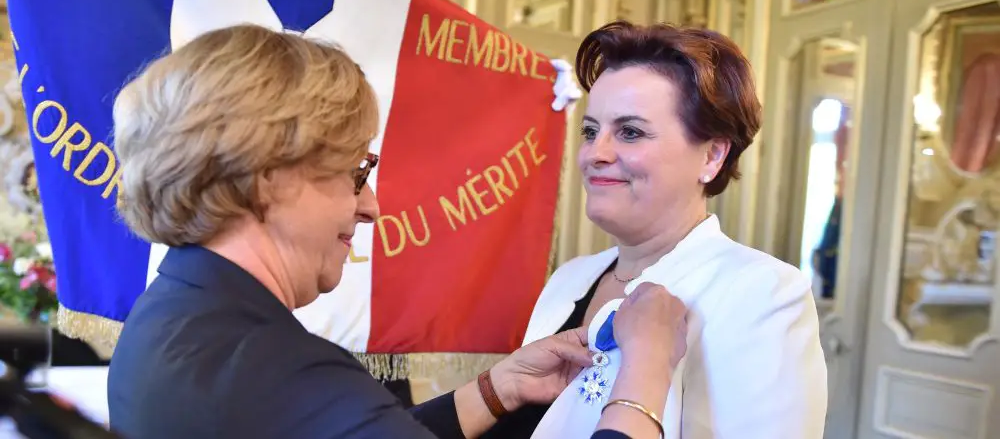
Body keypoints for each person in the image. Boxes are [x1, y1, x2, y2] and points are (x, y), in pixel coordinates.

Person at [106, 24, 687, 439]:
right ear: (267, 180)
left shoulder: (175, 311)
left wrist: (497, 389)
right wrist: (642, 380)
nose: (371, 207)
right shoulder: (272, 368)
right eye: (355, 173)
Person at [484, 21, 828, 438]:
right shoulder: (569, 278)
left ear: (712, 156)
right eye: (590, 131)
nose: (596, 153)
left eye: (629, 132)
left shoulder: (762, 293)